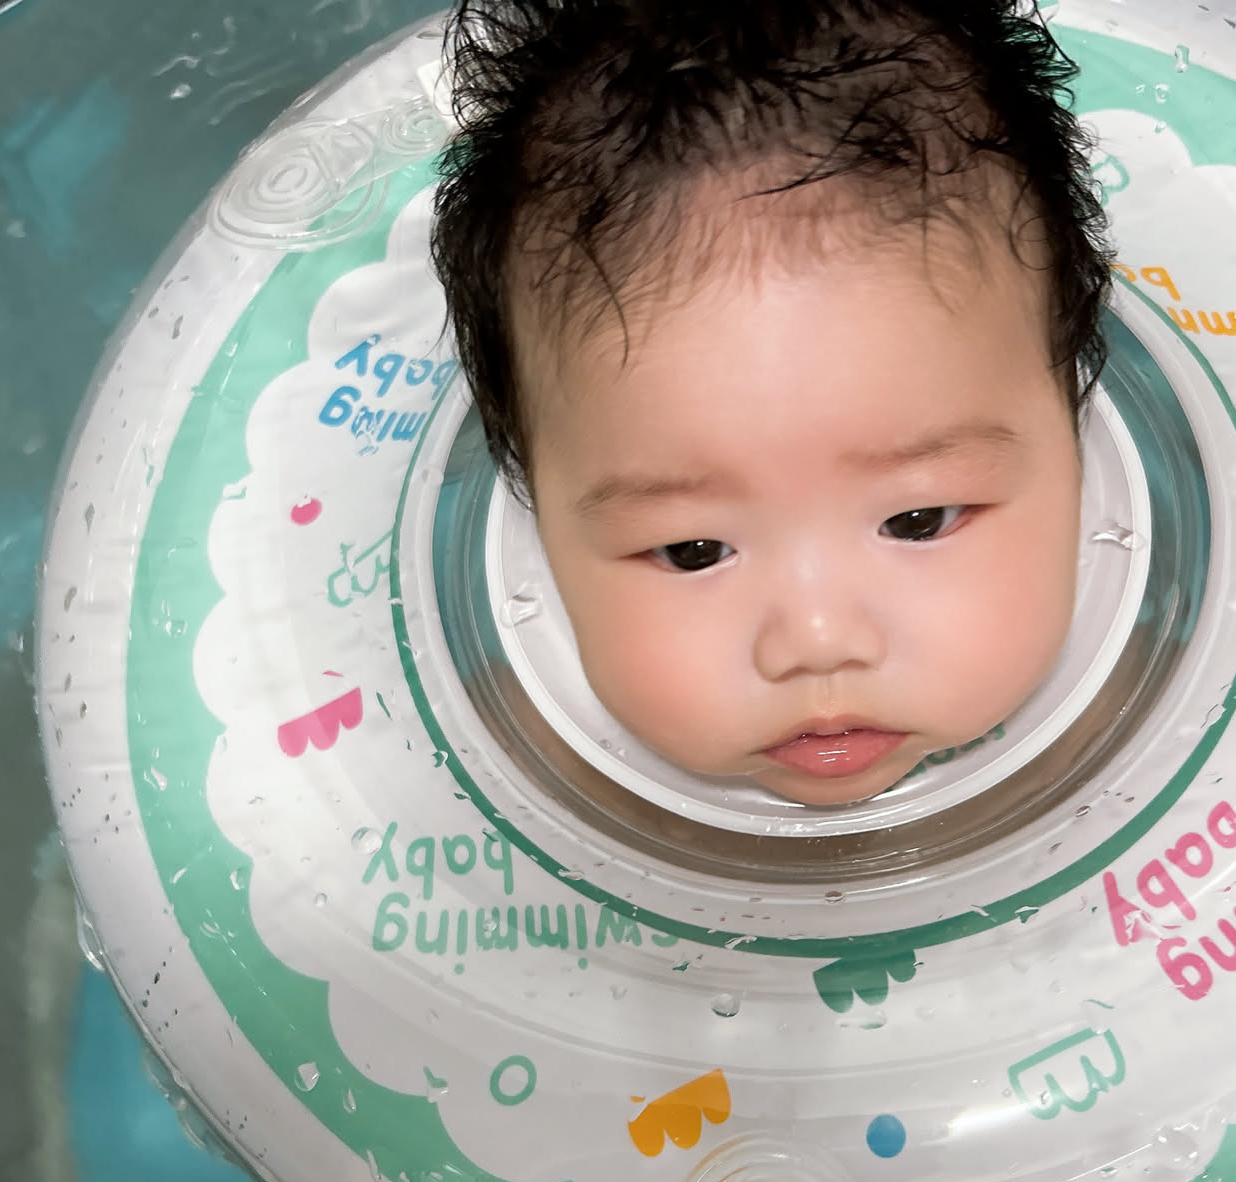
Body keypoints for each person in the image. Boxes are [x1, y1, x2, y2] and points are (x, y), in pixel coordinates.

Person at [431, 0, 1113, 806]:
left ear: (1074, 419)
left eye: (918, 519)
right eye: (692, 550)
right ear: (531, 492)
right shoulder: (491, 772)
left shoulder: (1170, 682)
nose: (817, 641)